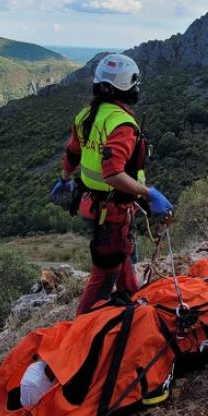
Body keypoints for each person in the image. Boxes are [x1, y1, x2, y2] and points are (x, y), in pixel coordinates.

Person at [50, 54, 173, 315]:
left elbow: (73, 153)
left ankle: (130, 300)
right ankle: (80, 329)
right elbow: (112, 174)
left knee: (125, 256)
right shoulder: (122, 124)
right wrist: (149, 193)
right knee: (104, 275)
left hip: (89, 204)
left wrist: (64, 179)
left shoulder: (86, 115)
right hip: (110, 211)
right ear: (127, 85)